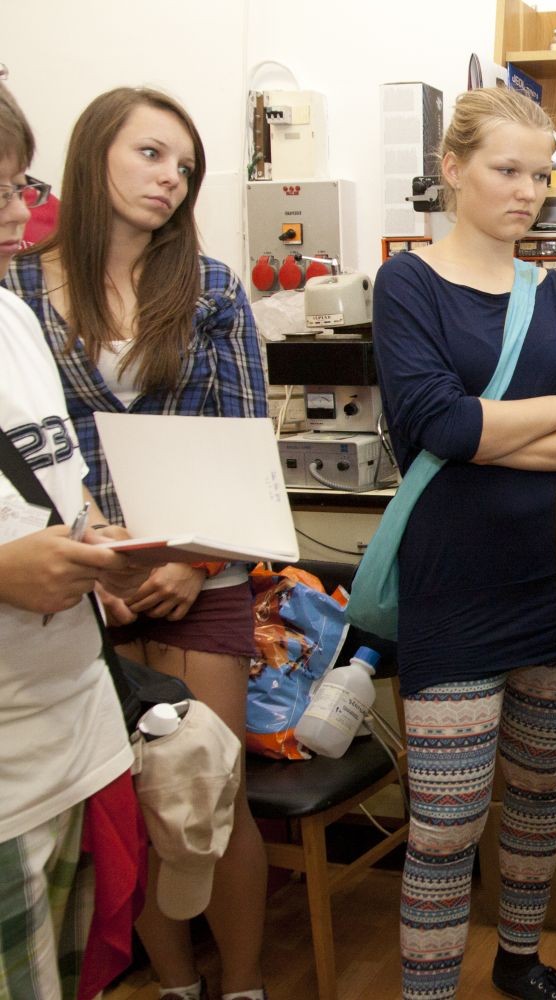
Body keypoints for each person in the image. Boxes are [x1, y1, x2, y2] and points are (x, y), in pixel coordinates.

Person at [370, 86, 556, 1000]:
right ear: (452, 169)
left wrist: (494, 435)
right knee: (446, 826)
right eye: (507, 170)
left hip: (551, 581)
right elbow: (440, 426)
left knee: (535, 796)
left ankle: (519, 962)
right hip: (453, 588)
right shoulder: (408, 285)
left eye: (542, 176)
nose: (528, 192)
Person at [2, 87, 269, 1000]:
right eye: (151, 154)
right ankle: (175, 985)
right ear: (92, 155)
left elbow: (246, 441)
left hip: (202, 569)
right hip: (74, 575)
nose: (170, 180)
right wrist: (96, 562)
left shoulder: (211, 287)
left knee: (210, 790)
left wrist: (195, 562)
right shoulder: (18, 288)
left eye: (185, 168)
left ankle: (242, 985)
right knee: (132, 800)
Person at [0, 80, 152, 1000]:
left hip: (74, 733)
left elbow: (53, 476)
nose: (21, 214)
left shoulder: (15, 319)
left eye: (20, 185)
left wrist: (99, 549)